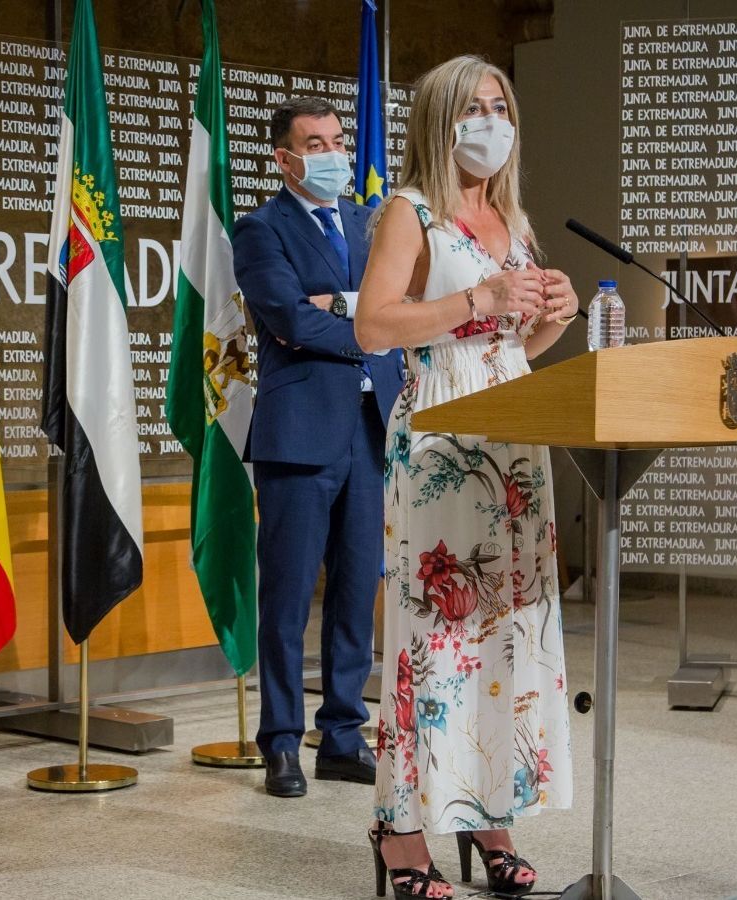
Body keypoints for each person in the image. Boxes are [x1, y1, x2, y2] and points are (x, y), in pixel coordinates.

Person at [354, 56, 580, 898]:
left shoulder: (511, 221)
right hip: (444, 445)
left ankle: (488, 810)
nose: (494, 120)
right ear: (443, 119)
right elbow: (374, 326)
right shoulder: (410, 212)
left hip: (514, 434)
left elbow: (511, 351)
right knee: (434, 635)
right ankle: (402, 827)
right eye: (477, 107)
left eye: (502, 106)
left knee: (504, 633)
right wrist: (475, 301)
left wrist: (548, 320)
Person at [233, 97, 406, 798]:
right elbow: (286, 317)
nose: (333, 153)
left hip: (371, 436)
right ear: (284, 158)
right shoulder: (260, 229)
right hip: (299, 438)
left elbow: (393, 307)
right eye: (316, 143)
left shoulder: (371, 226)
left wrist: (341, 306)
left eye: (338, 140)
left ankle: (341, 734)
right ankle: (280, 742)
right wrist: (365, 319)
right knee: (286, 599)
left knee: (357, 591)